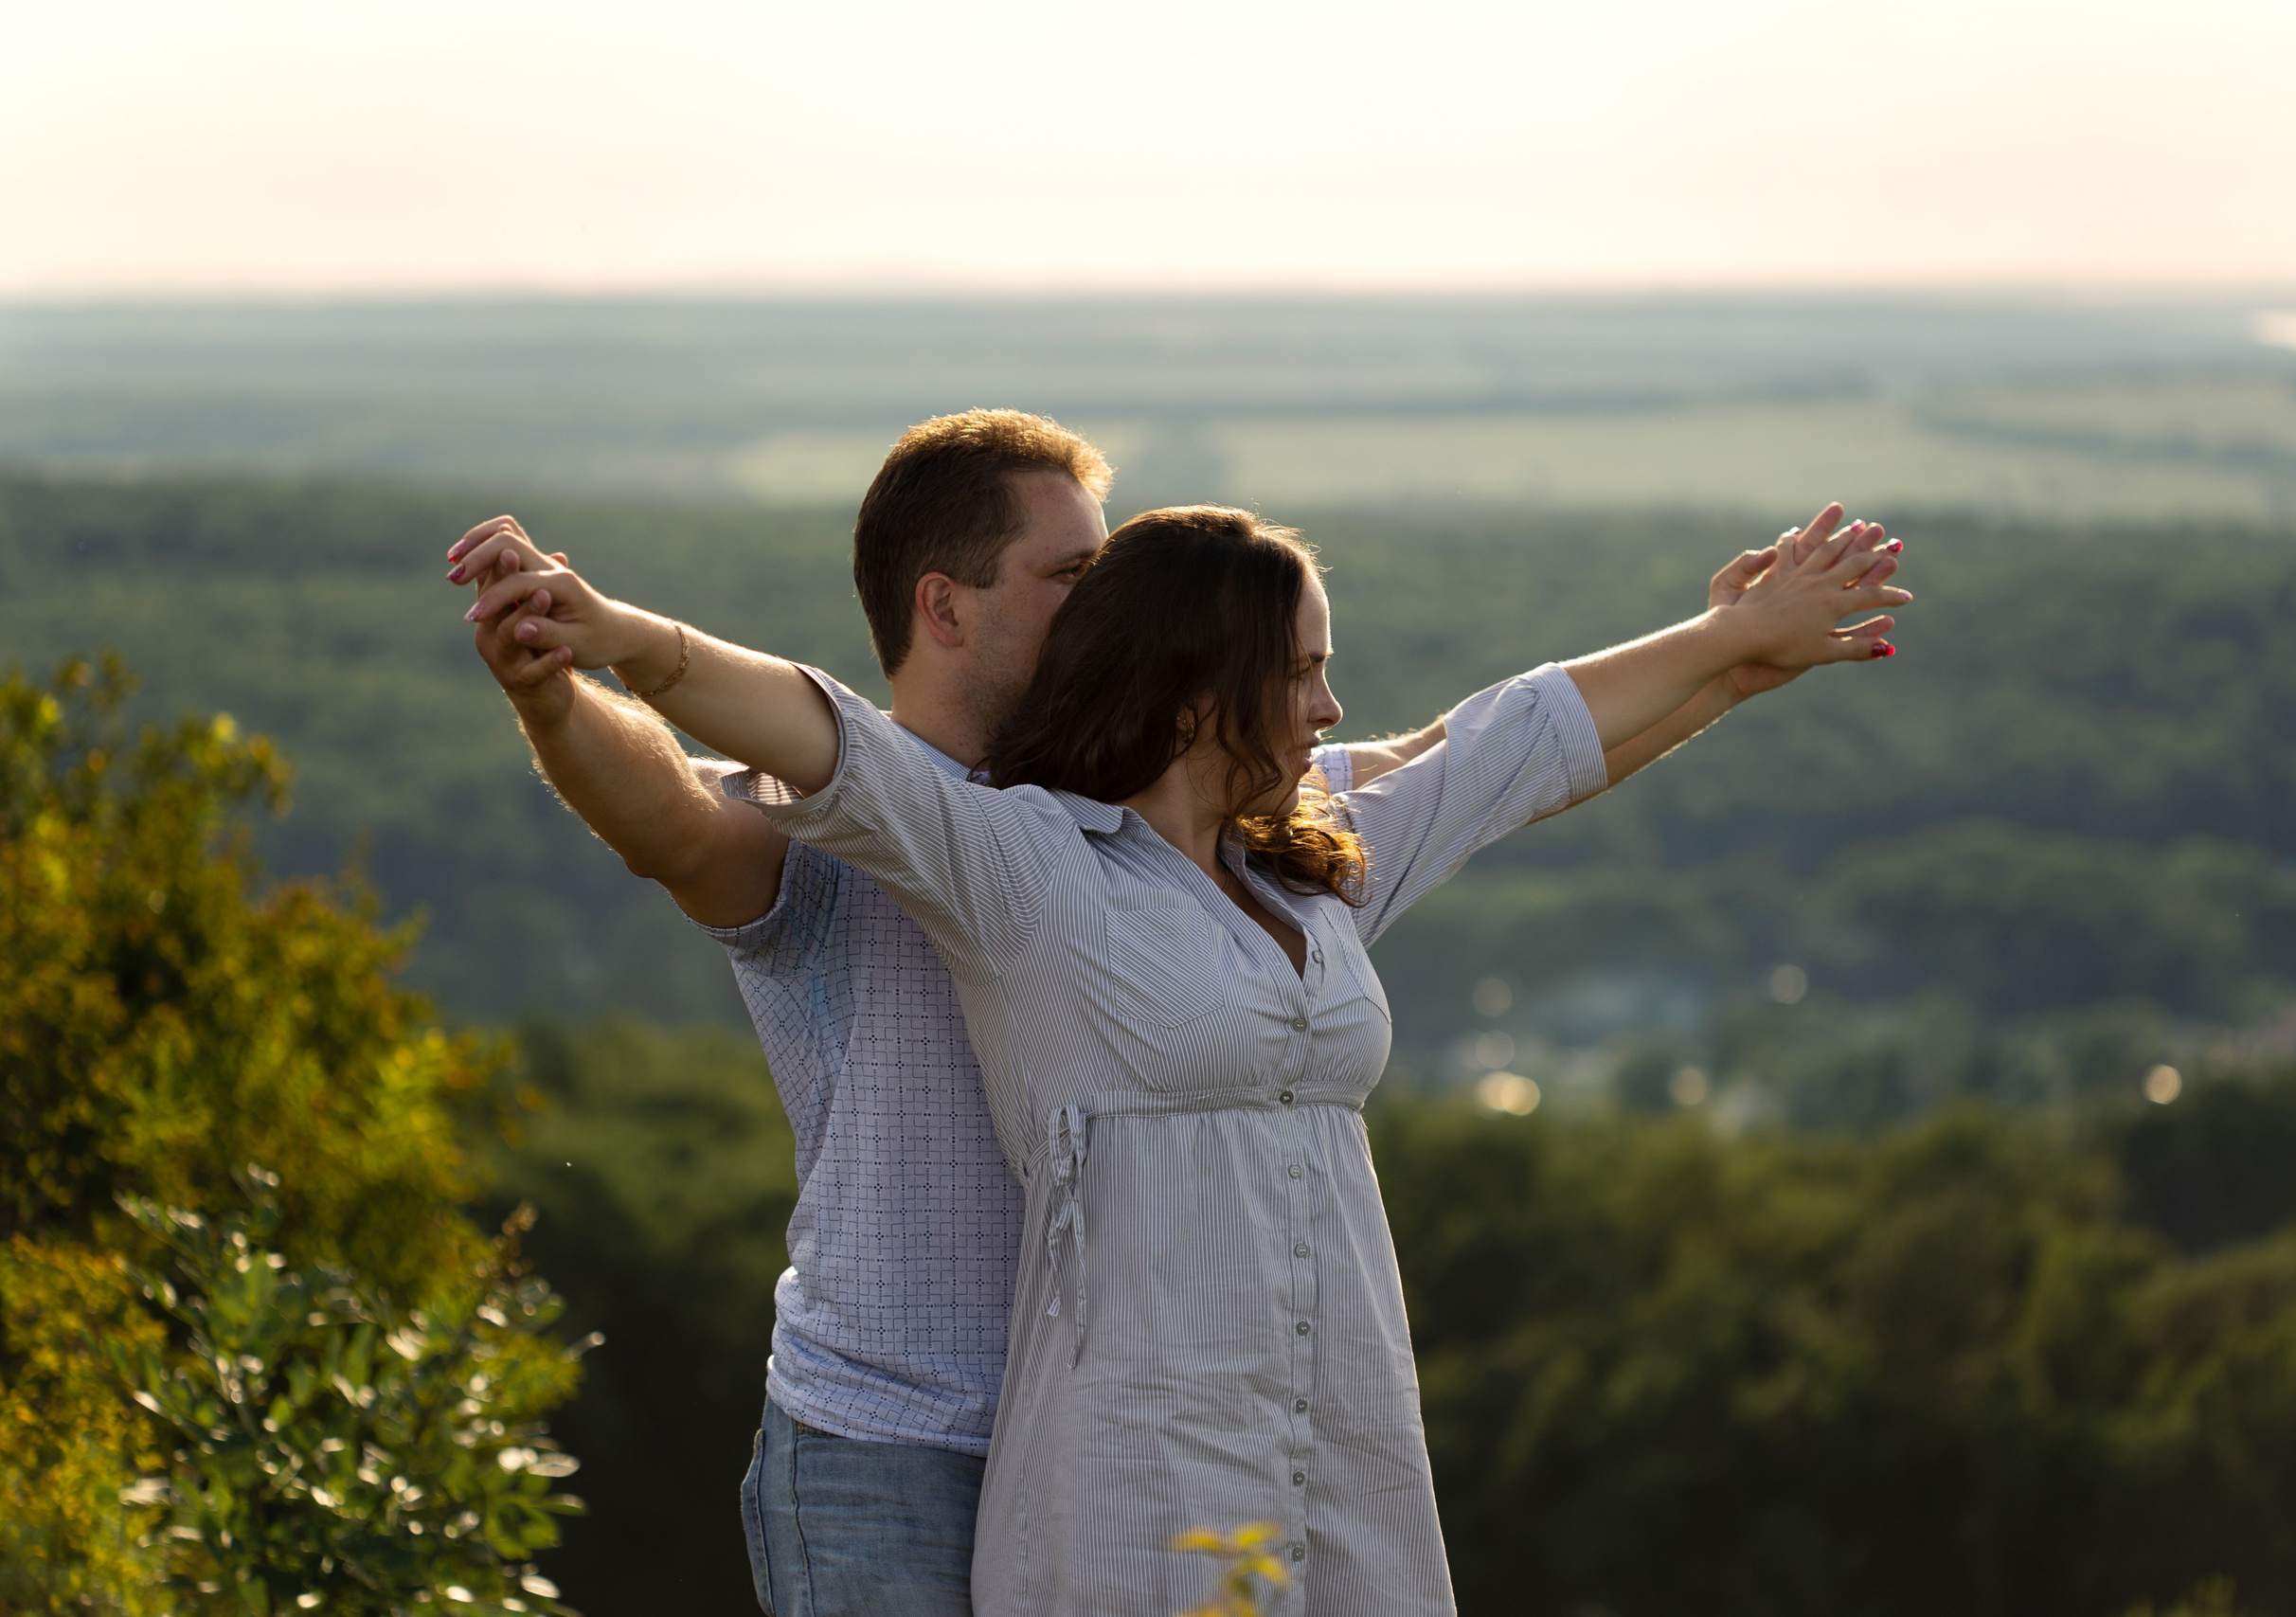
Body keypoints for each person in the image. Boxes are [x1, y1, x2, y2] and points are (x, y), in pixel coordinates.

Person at [450, 480, 1908, 1614]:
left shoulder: (1308, 861)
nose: (1332, 706)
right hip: (1119, 1469)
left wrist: (1730, 654)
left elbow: (1505, 749)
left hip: (1329, 1441)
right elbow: (820, 736)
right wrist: (613, 640)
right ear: (1202, 685)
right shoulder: (1026, 869)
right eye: (1306, 671)